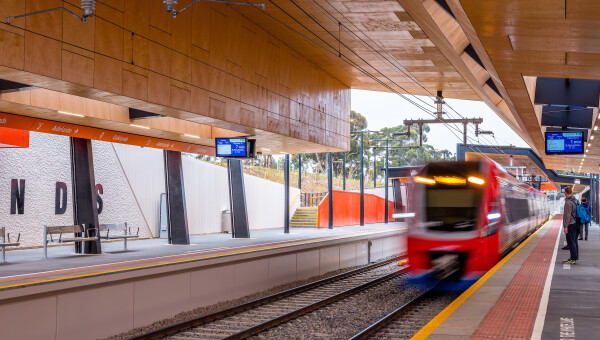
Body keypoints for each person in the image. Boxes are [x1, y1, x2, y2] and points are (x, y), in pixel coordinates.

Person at [563, 186, 579, 264]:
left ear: (565, 192)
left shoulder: (568, 202)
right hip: (577, 224)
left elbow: (567, 216)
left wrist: (565, 227)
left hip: (571, 224)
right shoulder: (575, 200)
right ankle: (574, 257)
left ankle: (573, 258)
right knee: (574, 241)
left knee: (571, 242)